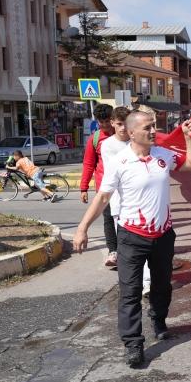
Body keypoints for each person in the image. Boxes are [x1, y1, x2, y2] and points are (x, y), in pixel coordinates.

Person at [73, 111, 191, 367]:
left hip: (163, 235)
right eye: (147, 128)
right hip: (131, 236)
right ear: (131, 133)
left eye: (154, 127)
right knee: (130, 292)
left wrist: (188, 138)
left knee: (162, 286)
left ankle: (159, 320)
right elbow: (103, 198)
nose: (153, 131)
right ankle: (133, 344)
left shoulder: (162, 154)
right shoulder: (119, 162)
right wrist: (82, 227)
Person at [101, 106, 152, 297]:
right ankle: (130, 283)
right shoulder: (107, 145)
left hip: (144, 205)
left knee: (145, 247)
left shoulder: (140, 141)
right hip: (120, 206)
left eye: (125, 124)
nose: (122, 128)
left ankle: (147, 283)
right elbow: (117, 176)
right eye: (119, 124)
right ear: (113, 123)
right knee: (127, 251)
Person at [79, 104, 118, 268]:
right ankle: (113, 252)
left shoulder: (124, 134)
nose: (105, 125)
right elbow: (88, 164)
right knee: (108, 219)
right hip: (105, 187)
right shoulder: (95, 139)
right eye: (101, 122)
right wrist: (84, 187)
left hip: (126, 186)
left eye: (108, 121)